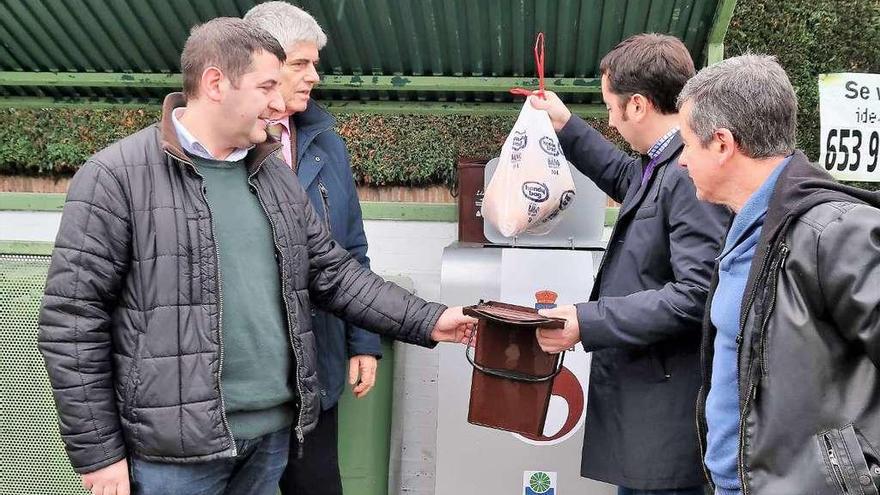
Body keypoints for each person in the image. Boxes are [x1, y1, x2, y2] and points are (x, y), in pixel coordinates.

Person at [36, 17, 474, 495]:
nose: (277, 101)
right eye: (266, 85)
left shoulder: (272, 173)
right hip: (174, 459)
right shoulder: (116, 177)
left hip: (271, 442)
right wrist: (100, 455)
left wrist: (430, 320)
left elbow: (334, 272)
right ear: (215, 83)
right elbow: (72, 325)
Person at [531, 33, 729, 494]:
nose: (610, 119)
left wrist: (588, 319)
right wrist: (565, 125)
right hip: (649, 411)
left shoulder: (686, 173)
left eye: (610, 106)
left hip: (666, 418)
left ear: (637, 105)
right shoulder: (666, 162)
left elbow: (699, 293)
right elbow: (629, 180)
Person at [676, 53, 880, 495]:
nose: (681, 161)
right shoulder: (749, 227)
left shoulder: (833, 231)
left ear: (723, 143)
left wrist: (859, 473)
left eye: (687, 144)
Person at [243, 3, 382, 493]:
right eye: (301, 64)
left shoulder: (326, 142)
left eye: (314, 64)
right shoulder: (226, 145)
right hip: (247, 380)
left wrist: (363, 341)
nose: (314, 76)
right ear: (261, 63)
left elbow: (351, 250)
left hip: (316, 370)